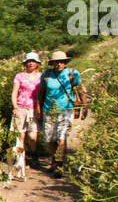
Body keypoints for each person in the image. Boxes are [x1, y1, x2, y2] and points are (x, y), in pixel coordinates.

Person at [34, 50, 86, 178]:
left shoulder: (72, 74)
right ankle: (53, 161)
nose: (59, 64)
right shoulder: (47, 75)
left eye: (61, 62)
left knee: (61, 137)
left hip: (66, 109)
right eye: (57, 62)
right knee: (51, 139)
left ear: (65, 62)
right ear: (52, 63)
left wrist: (84, 106)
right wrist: (38, 108)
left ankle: (59, 165)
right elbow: (40, 93)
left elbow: (80, 89)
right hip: (49, 110)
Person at [11, 52, 42, 169]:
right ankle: (20, 159)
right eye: (29, 61)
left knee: (33, 134)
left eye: (33, 61)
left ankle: (34, 157)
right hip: (21, 107)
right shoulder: (19, 76)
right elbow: (14, 92)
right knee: (20, 135)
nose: (31, 63)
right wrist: (15, 106)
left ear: (37, 64)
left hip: (35, 108)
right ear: (25, 63)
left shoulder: (41, 76)